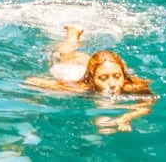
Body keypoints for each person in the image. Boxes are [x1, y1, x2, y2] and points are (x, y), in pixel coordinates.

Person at [26, 49, 154, 133]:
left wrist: (126, 118)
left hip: (95, 67)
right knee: (66, 52)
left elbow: (146, 106)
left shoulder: (132, 86)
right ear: (92, 79)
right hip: (71, 69)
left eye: (117, 76)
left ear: (123, 75)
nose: (112, 84)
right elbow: (31, 81)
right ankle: (73, 34)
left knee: (94, 62)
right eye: (103, 78)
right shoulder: (82, 87)